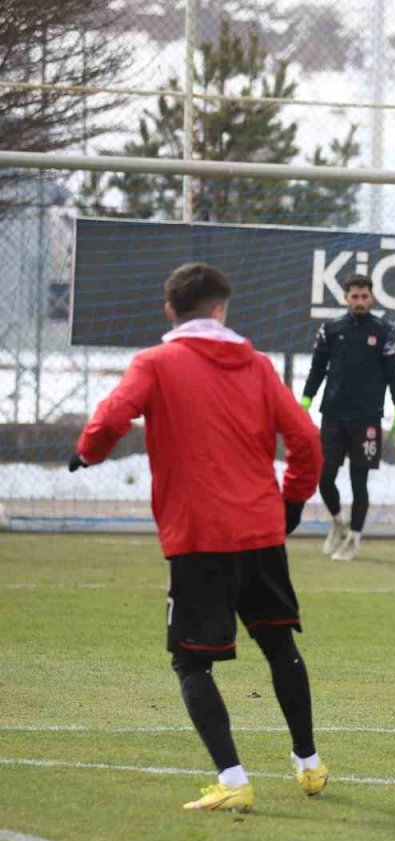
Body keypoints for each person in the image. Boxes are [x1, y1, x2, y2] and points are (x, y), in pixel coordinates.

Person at [70, 262, 327, 812]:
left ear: (170, 309)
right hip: (260, 531)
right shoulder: (256, 366)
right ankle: (309, 763)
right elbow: (305, 436)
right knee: (280, 645)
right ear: (221, 308)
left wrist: (87, 452)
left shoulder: (156, 363)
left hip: (198, 536)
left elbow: (114, 415)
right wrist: (292, 500)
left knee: (191, 662)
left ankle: (233, 780)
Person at [301, 273, 395, 562]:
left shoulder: (384, 332)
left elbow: (394, 376)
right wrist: (304, 402)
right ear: (346, 298)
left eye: (364, 296)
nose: (359, 301)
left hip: (367, 420)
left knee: (359, 482)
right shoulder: (331, 329)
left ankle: (354, 540)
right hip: (333, 416)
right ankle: (338, 524)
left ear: (371, 298)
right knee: (324, 478)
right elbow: (317, 369)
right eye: (354, 296)